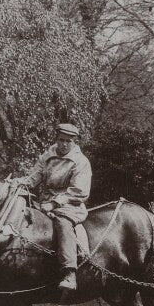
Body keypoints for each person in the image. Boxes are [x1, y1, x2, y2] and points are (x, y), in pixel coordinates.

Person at [13, 123, 92, 291]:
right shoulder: (47, 156)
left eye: (68, 141)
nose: (63, 144)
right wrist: (18, 183)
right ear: (56, 139)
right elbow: (34, 178)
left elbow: (80, 191)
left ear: (75, 141)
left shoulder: (80, 162)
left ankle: (69, 272)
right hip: (45, 202)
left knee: (63, 224)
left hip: (70, 204)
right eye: (61, 140)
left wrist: (55, 203)